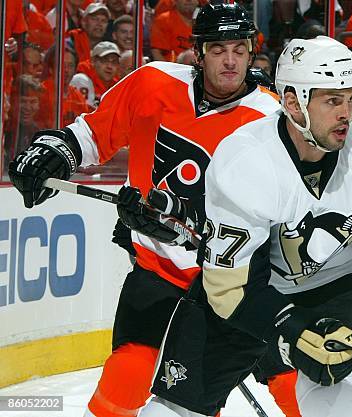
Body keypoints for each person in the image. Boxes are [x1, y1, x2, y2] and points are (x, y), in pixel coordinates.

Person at [7, 4, 292, 417]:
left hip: (238, 285)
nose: (230, 60)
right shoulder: (153, 83)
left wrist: (193, 227)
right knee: (124, 381)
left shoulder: (271, 121)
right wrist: (58, 151)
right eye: (218, 49)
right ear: (198, 52)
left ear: (251, 52)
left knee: (294, 387)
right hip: (157, 273)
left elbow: (285, 209)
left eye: (238, 48)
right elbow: (94, 132)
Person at [138, 35, 352, 417]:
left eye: (351, 97)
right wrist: (290, 330)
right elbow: (230, 288)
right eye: (332, 100)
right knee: (171, 412)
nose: (347, 112)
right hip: (250, 292)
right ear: (292, 102)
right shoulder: (245, 162)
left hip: (333, 286)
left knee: (338, 401)